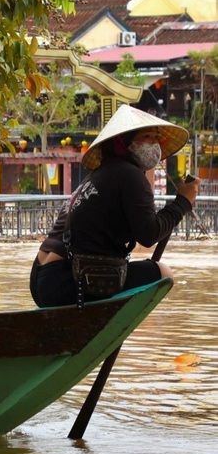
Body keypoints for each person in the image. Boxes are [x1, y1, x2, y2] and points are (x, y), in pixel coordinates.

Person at [29, 105, 199, 308]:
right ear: (124, 142)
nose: (155, 145)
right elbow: (149, 234)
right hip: (68, 279)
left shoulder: (100, 173)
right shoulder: (129, 175)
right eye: (147, 137)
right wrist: (182, 202)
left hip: (42, 276)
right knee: (163, 273)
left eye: (156, 138)